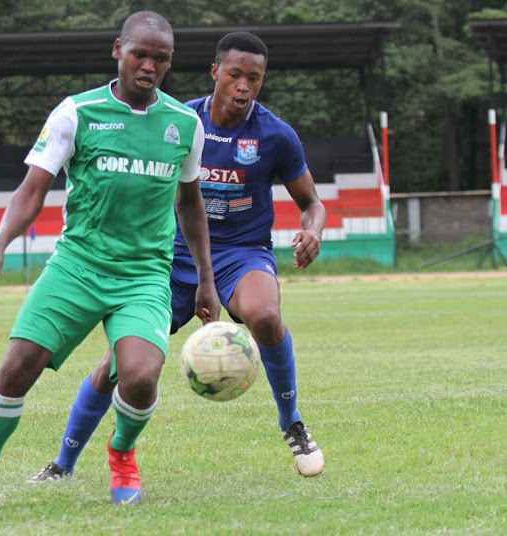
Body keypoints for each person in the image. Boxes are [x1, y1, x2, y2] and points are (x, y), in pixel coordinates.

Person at [0, 11, 221, 519]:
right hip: (78, 266)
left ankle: (121, 453)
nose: (150, 66)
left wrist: (205, 280)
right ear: (118, 50)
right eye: (140, 54)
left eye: (162, 58)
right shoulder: (76, 113)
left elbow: (191, 204)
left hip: (143, 275)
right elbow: (32, 190)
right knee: (16, 369)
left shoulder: (185, 124)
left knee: (139, 373)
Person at [29, 31, 327, 485]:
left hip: (241, 254)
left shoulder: (275, 136)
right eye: (234, 75)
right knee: (118, 365)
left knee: (265, 315)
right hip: (170, 258)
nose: (244, 86)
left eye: (254, 78)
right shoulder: (178, 121)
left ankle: (292, 423)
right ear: (215, 74)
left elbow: (312, 202)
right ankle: (63, 463)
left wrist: (313, 229)